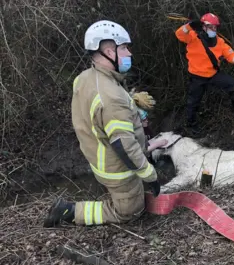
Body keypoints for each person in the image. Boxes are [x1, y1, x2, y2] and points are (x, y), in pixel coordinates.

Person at [43, 20, 167, 228]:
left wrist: (131, 101)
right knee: (131, 211)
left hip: (97, 152)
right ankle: (69, 211)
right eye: (124, 48)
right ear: (109, 51)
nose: (129, 54)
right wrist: (150, 175)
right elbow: (123, 146)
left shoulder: (87, 78)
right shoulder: (111, 97)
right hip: (116, 166)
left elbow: (101, 110)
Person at [175, 13, 234, 136]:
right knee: (193, 102)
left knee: (233, 84)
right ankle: (191, 124)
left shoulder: (219, 42)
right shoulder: (193, 37)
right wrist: (189, 26)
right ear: (203, 26)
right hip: (197, 77)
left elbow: (230, 54)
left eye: (215, 27)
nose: (214, 30)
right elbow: (179, 34)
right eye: (211, 27)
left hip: (213, 75)